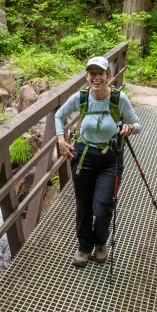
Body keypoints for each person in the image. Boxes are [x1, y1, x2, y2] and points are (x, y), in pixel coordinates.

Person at [55, 56, 141, 267]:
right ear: (87, 76)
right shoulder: (81, 97)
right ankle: (84, 247)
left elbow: (137, 124)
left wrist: (130, 128)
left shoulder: (119, 99)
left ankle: (101, 242)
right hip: (84, 155)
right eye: (92, 74)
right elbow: (59, 115)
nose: (96, 78)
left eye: (100, 74)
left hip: (111, 158)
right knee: (83, 205)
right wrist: (61, 139)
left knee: (104, 206)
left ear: (108, 76)